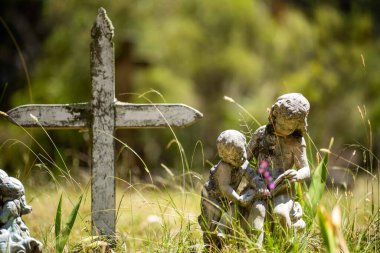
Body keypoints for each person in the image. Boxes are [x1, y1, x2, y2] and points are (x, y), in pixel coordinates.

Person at [247, 93, 310, 230]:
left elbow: (306, 170)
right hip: (260, 186)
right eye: (280, 124)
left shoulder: (297, 142)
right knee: (256, 213)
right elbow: (244, 160)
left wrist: (297, 175)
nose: (283, 130)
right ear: (274, 116)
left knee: (280, 213)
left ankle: (288, 245)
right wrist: (253, 179)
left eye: (289, 128)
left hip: (282, 189)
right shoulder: (261, 134)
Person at [198, 130, 269, 249]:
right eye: (234, 159)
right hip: (212, 197)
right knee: (211, 223)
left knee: (228, 219)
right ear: (224, 157)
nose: (239, 160)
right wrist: (238, 199)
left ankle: (225, 244)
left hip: (228, 198)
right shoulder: (224, 167)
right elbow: (225, 187)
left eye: (242, 154)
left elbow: (252, 176)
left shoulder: (243, 163)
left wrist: (260, 186)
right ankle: (209, 247)